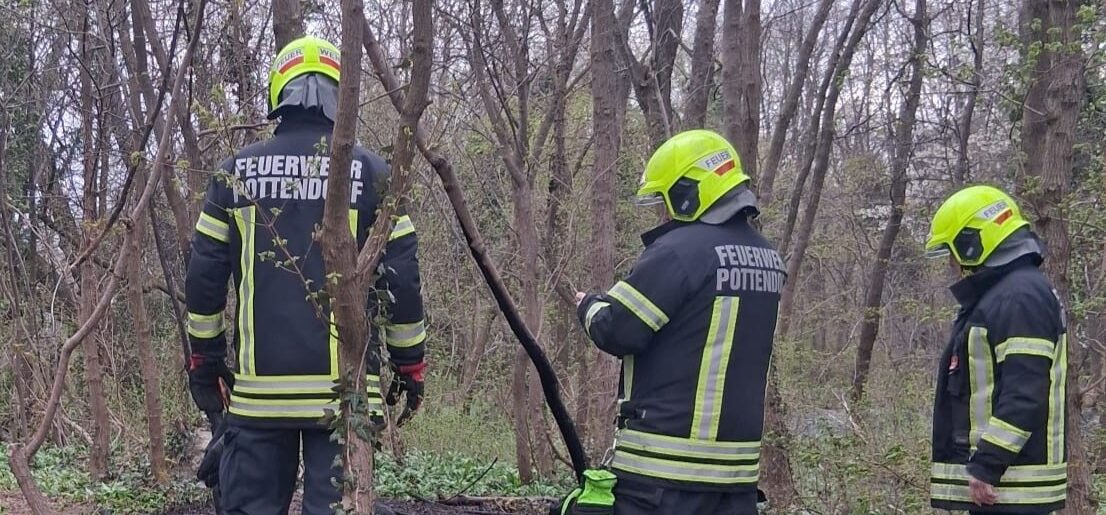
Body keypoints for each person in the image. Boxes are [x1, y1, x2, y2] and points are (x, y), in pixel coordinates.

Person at [185, 35, 427, 515]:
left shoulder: (235, 175)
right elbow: (402, 279)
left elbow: (203, 279)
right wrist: (409, 363)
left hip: (260, 401)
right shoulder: (374, 173)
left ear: (279, 91)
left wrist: (205, 359)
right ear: (343, 92)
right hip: (346, 399)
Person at [571, 130, 784, 515]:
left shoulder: (679, 252)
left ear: (689, 192)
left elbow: (618, 329)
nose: (665, 214)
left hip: (663, 478)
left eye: (667, 201)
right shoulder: (769, 259)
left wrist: (588, 305)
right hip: (736, 484)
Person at [925, 185, 1067, 514]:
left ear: (972, 242)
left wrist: (988, 464)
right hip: (1001, 490)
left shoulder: (1020, 297)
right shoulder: (1004, 294)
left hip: (1009, 488)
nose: (952, 262)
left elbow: (1025, 391)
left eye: (952, 251)